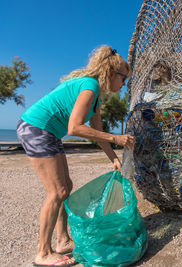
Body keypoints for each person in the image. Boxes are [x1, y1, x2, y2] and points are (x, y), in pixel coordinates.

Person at [16, 45, 135, 266]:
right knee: (57, 191)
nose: (124, 84)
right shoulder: (89, 86)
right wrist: (116, 138)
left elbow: (96, 130)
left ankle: (62, 241)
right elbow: (75, 128)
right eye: (123, 78)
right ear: (111, 73)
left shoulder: (96, 95)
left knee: (66, 187)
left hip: (48, 132)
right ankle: (42, 253)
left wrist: (114, 158)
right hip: (36, 128)